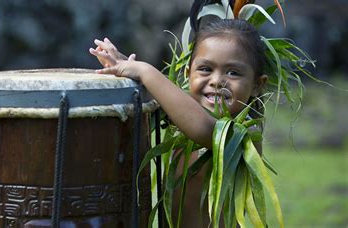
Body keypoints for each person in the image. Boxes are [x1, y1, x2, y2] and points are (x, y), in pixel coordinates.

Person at [90, 19, 268, 227]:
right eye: (205, 69)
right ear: (187, 73)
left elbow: (204, 128)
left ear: (257, 84)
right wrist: (124, 65)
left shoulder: (244, 135)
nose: (217, 80)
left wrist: (145, 71)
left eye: (233, 72)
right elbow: (166, 98)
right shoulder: (183, 113)